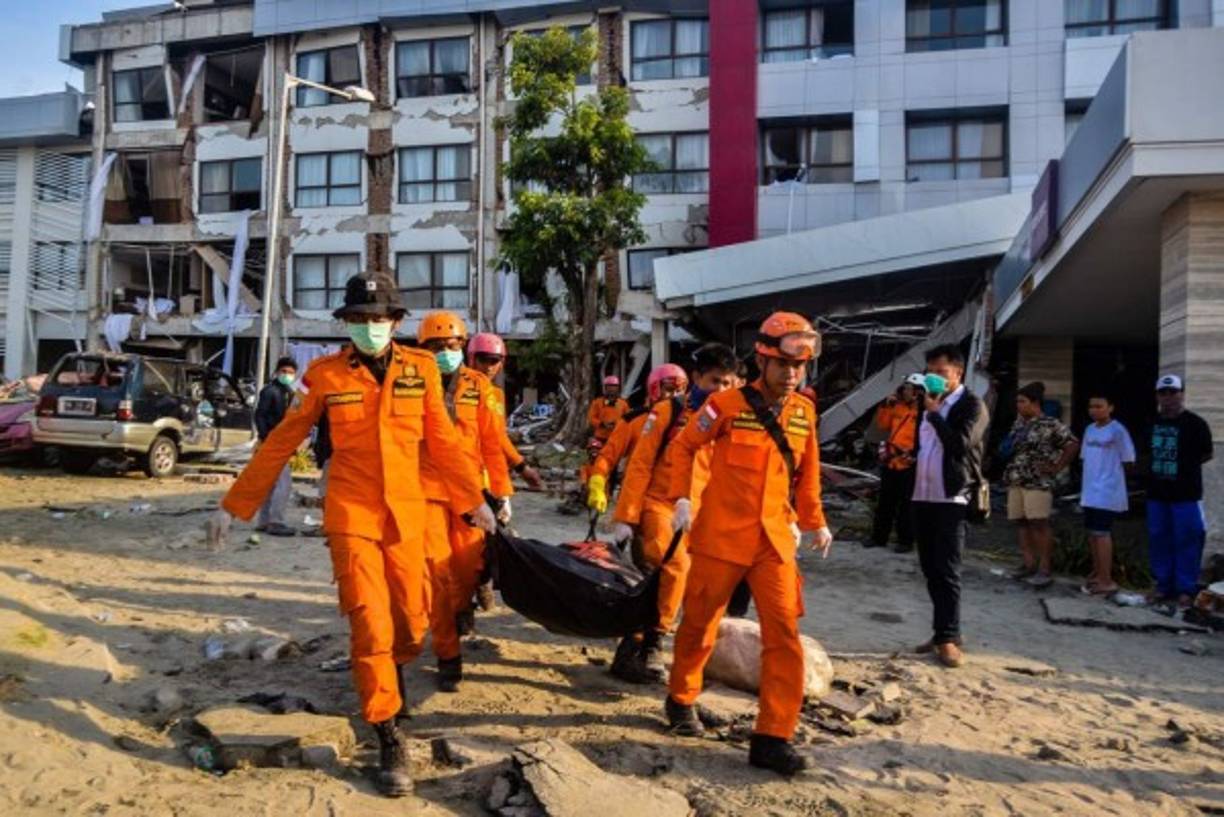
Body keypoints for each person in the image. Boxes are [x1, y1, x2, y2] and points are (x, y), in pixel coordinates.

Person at [206, 272, 495, 798]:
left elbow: (445, 442)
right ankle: (387, 733)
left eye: (377, 319)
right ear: (347, 324)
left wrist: (475, 500)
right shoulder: (325, 376)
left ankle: (394, 672)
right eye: (358, 321)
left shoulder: (421, 369)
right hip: (352, 513)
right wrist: (235, 503)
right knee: (368, 620)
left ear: (396, 322)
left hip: (408, 513)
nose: (368, 329)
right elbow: (283, 440)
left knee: (411, 618)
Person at [663, 312, 832, 777]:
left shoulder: (804, 413)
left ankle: (773, 735)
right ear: (763, 359)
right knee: (699, 624)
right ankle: (681, 697)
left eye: (800, 367)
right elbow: (684, 446)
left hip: (773, 541)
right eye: (784, 365)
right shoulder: (726, 405)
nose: (793, 374)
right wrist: (682, 494)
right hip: (720, 537)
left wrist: (814, 520)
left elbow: (808, 472)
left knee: (784, 637)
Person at [609, 344, 739, 683]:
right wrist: (626, 516)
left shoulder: (734, 419)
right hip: (659, 504)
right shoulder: (668, 413)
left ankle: (632, 650)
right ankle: (655, 643)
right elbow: (639, 465)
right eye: (714, 381)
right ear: (696, 378)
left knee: (681, 583)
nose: (721, 390)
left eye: (728, 383)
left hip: (702, 512)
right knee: (674, 568)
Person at [417, 312, 514, 681]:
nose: (446, 352)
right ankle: (448, 653)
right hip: (425, 493)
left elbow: (491, 443)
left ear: (463, 346)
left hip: (470, 493)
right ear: (423, 348)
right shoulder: (410, 384)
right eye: (437, 346)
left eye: (453, 345)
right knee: (438, 575)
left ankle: (463, 608)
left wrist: (502, 494)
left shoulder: (479, 388)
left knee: (469, 567)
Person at [910, 344, 989, 669]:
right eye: (931, 374)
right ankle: (942, 630)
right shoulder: (928, 403)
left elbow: (959, 444)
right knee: (930, 569)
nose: (935, 380)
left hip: (952, 497)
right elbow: (923, 444)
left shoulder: (972, 405)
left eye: (942, 374)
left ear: (958, 372)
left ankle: (949, 637)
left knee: (947, 569)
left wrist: (934, 414)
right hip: (922, 493)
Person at [1003, 381, 1079, 588]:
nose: (1018, 405)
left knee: (1039, 522)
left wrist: (1057, 466)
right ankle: (1028, 563)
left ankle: (1045, 569)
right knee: (1021, 521)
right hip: (1017, 477)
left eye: (1022, 401)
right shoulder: (1019, 424)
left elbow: (1072, 444)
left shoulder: (1050, 424)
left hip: (1038, 480)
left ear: (1035, 403)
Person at [1147, 374, 1214, 607]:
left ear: (1182, 394)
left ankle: (1185, 588)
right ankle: (1163, 585)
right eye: (1163, 393)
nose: (1168, 397)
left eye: (1173, 392)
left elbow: (1207, 454)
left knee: (1188, 540)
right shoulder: (1151, 422)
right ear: (1157, 395)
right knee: (1159, 539)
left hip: (1186, 495)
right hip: (1157, 494)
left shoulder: (1196, 424)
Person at [586, 364, 687, 517]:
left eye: (679, 391)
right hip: (639, 500)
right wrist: (597, 479)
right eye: (669, 390)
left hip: (677, 503)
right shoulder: (633, 421)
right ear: (654, 389)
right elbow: (608, 455)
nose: (674, 396)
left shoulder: (691, 423)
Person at [466, 332, 545, 491]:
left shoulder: (496, 395)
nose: (489, 366)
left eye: (494, 361)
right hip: (460, 468)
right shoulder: (455, 390)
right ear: (472, 359)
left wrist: (522, 467)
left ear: (501, 363)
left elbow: (498, 436)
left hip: (487, 472)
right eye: (483, 359)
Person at [1079, 392, 1136, 596]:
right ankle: (1097, 572)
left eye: (1099, 406)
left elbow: (1128, 460)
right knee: (1093, 534)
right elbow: (1085, 458)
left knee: (1102, 534)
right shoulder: (1089, 429)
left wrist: (1114, 480)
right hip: (1090, 490)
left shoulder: (1118, 430)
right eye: (1091, 406)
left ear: (1110, 407)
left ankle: (1106, 579)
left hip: (1107, 490)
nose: (1094, 410)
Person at [869, 373, 925, 552]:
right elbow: (883, 425)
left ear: (917, 392)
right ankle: (879, 538)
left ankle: (905, 541)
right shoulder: (898, 407)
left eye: (908, 389)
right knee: (885, 502)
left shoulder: (925, 413)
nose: (905, 391)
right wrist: (886, 405)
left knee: (906, 505)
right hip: (892, 461)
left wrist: (916, 454)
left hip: (910, 463)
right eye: (905, 388)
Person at [253, 356, 300, 537]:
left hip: (279, 443)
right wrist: (266, 438)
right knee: (284, 484)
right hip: (273, 443)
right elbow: (260, 416)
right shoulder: (271, 391)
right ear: (277, 372)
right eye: (284, 371)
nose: (287, 375)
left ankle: (264, 521)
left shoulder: (288, 392)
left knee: (271, 484)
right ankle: (276, 521)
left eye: (290, 372)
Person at [588, 375, 630, 443]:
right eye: (609, 386)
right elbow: (591, 418)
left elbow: (628, 419)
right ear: (605, 387)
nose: (611, 389)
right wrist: (602, 424)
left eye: (614, 386)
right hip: (600, 437)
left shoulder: (623, 404)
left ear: (617, 388)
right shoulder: (597, 402)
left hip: (617, 437)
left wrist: (618, 425)